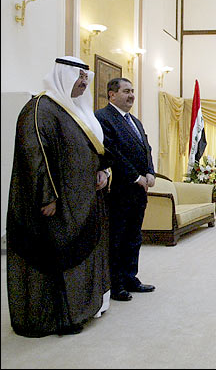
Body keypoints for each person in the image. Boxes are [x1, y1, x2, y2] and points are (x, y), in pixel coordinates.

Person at [6, 56, 111, 337]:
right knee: (55, 261)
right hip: (56, 206)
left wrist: (103, 171)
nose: (83, 84)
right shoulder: (40, 109)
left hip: (82, 203)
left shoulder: (74, 110)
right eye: (80, 78)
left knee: (79, 258)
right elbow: (33, 155)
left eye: (86, 80)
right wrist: (46, 197)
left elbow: (93, 150)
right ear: (64, 76)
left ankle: (80, 310)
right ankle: (56, 318)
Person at [95, 78, 156, 302]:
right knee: (117, 238)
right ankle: (116, 283)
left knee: (134, 236)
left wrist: (150, 172)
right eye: (126, 91)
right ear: (112, 95)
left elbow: (146, 149)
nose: (131, 95)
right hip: (119, 190)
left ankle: (131, 277)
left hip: (139, 192)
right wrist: (136, 176)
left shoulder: (135, 121)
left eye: (133, 91)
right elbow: (112, 152)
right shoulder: (102, 118)